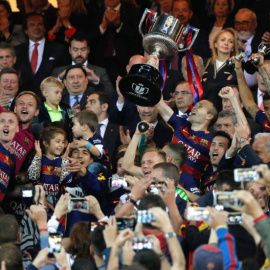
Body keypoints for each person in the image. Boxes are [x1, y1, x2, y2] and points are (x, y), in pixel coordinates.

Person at [155, 89, 217, 198]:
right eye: (195, 105)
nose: (194, 107)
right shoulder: (181, 124)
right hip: (163, 177)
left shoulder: (212, 141)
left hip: (187, 186)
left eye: (200, 106)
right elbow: (160, 105)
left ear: (209, 116)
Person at [14, 12, 67, 98]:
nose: (36, 27)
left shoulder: (58, 49)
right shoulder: (17, 50)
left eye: (40, 24)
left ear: (45, 28)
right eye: (32, 25)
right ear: (26, 30)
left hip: (50, 99)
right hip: (23, 99)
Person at [52, 31, 114, 96]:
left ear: (88, 50)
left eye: (83, 49)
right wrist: (59, 79)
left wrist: (97, 80)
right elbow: (48, 95)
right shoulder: (58, 72)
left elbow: (111, 95)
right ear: (70, 50)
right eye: (75, 50)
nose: (79, 54)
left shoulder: (100, 72)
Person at [28, 126, 71, 203]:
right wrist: (38, 156)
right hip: (39, 202)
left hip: (58, 203)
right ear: (46, 143)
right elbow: (33, 177)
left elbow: (66, 180)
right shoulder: (39, 159)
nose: (61, 145)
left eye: (63, 142)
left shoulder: (63, 161)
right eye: (58, 141)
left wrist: (65, 161)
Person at [202, 28, 238, 112]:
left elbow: (232, 87)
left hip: (225, 110)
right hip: (204, 109)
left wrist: (207, 83)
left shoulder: (236, 66)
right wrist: (225, 82)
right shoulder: (205, 62)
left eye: (230, 41)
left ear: (233, 48)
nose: (226, 43)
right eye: (223, 40)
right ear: (215, 44)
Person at [85, 92, 121, 160]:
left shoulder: (118, 130)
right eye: (87, 103)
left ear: (104, 107)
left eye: (92, 102)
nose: (87, 105)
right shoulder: (83, 128)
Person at [0, 110, 18, 206]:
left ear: (17, 129)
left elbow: (10, 188)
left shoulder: (12, 159)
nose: (6, 125)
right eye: (2, 121)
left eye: (11, 122)